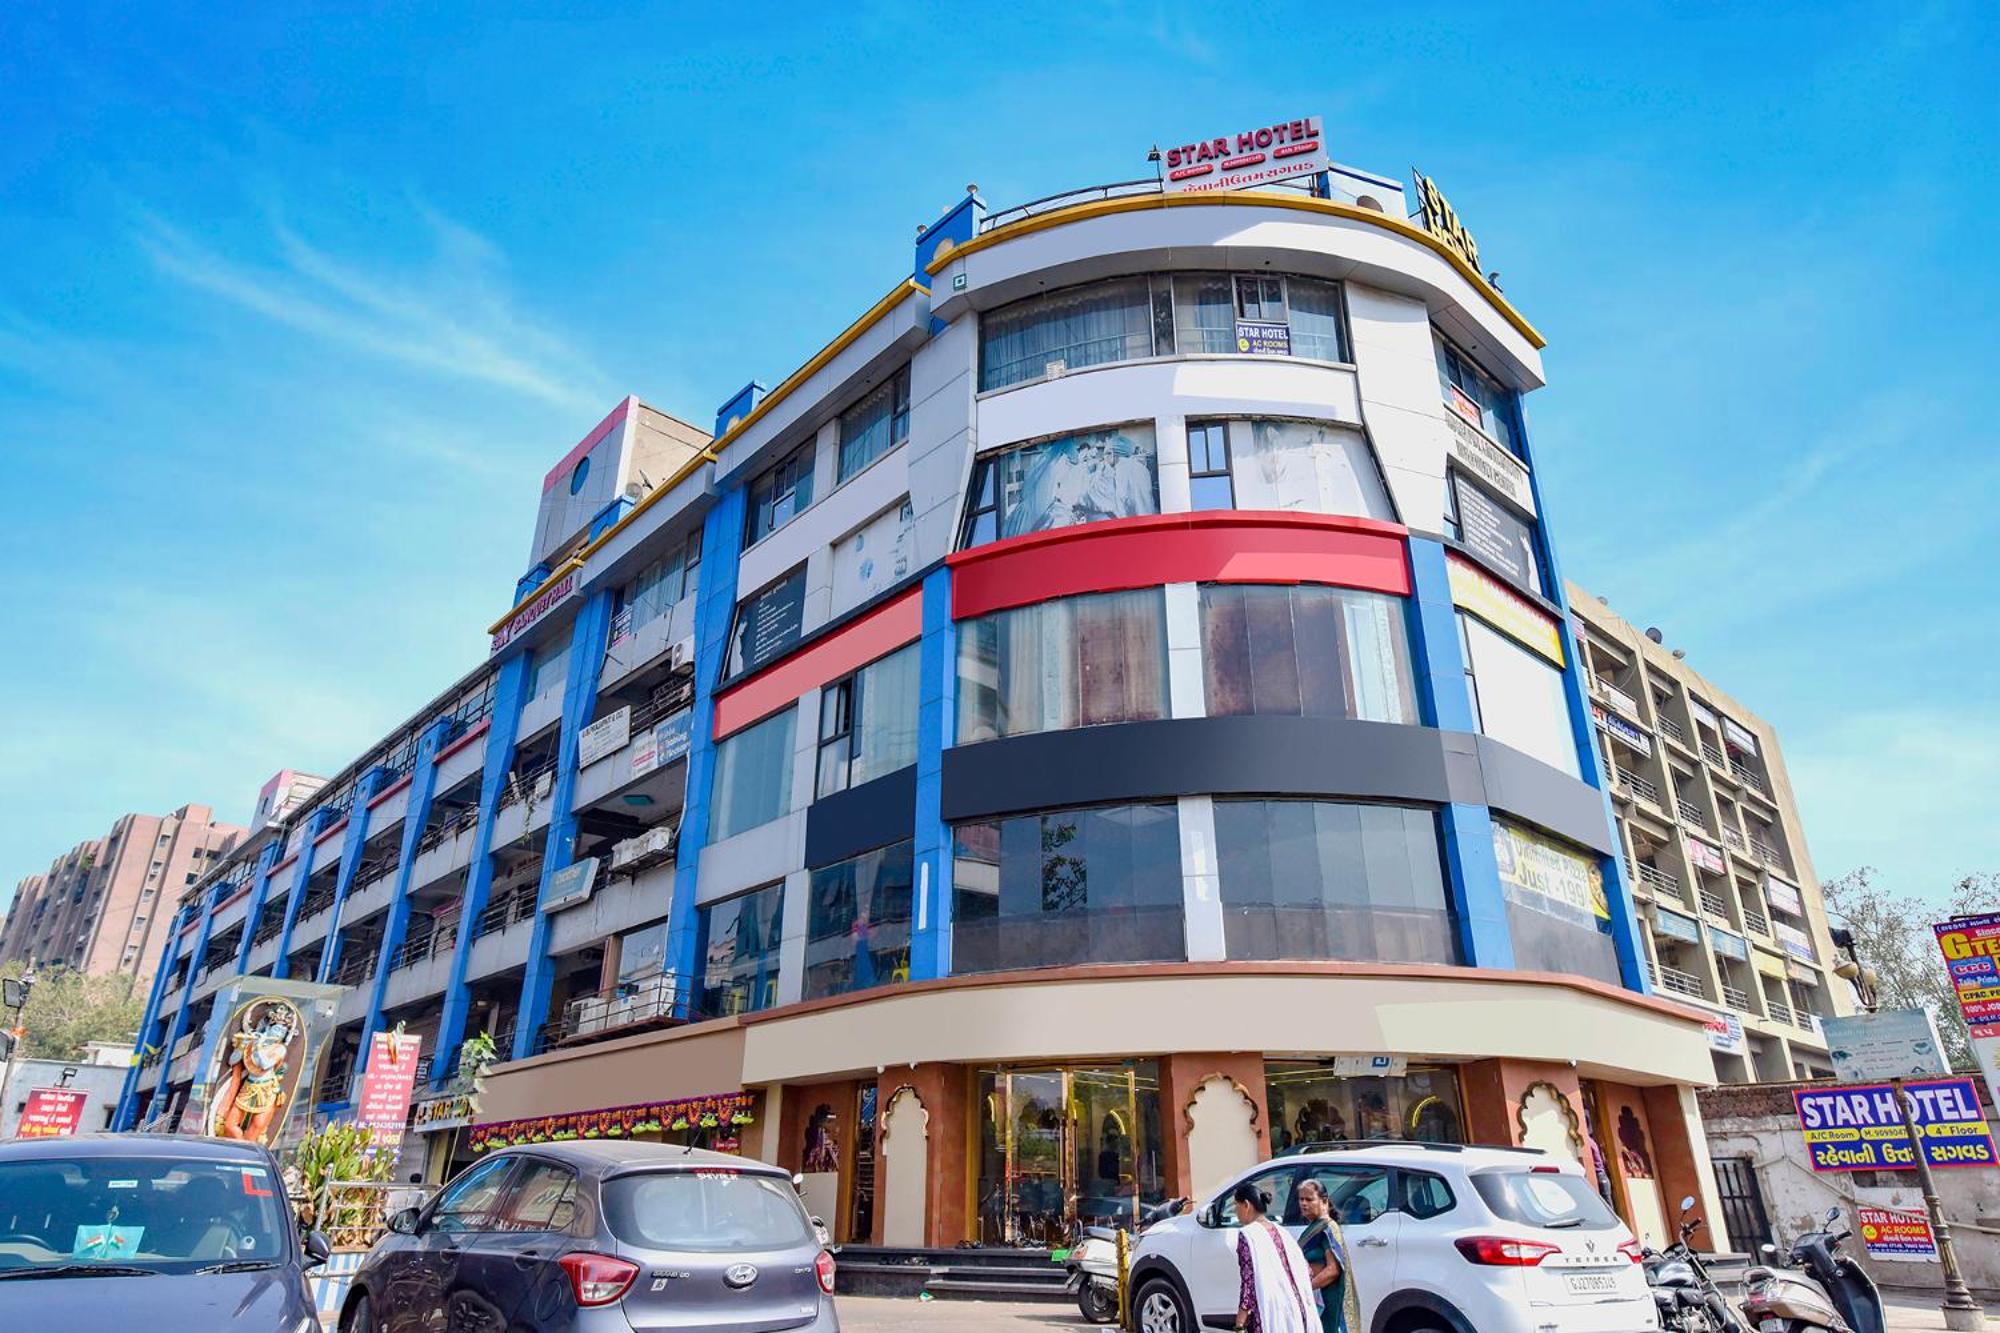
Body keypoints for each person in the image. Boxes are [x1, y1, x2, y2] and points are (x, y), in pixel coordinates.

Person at [1231, 1181, 1314, 1333]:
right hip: (1298, 1311)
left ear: (1246, 1205)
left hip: (1272, 1312)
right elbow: (1307, 1271)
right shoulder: (1282, 1232)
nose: (1236, 1212)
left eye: (1236, 1205)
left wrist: (1239, 1324)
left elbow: (1248, 1284)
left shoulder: (1248, 1235)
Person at [1296, 1179, 1363, 1333]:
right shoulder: (1313, 1227)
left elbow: (1333, 1270)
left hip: (1329, 1300)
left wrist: (1305, 1289)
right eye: (1301, 1199)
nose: (1303, 1203)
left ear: (1324, 1201)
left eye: (1309, 1199)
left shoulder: (1328, 1228)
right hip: (1315, 1298)